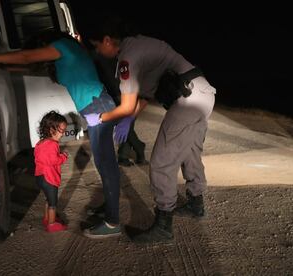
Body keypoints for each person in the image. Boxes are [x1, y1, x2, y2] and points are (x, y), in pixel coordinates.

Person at [0, 31, 122, 239]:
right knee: (104, 165)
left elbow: (27, 57)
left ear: (45, 42)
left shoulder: (63, 46)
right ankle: (110, 208)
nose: (40, 52)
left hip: (98, 107)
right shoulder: (67, 54)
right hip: (95, 107)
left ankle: (112, 221)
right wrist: (0, 64)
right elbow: (27, 64)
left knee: (107, 166)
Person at [84, 17, 216, 243]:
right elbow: (145, 95)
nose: (97, 52)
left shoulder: (128, 56)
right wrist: (130, 117)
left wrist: (100, 117)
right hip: (203, 94)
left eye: (96, 46)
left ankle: (163, 225)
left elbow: (126, 105)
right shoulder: (138, 44)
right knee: (190, 152)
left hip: (188, 101)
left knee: (161, 162)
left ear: (107, 40)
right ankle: (196, 204)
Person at [92, 53, 147, 167]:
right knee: (125, 125)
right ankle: (132, 151)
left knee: (125, 124)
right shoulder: (105, 54)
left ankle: (127, 153)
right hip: (116, 93)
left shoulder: (101, 54)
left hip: (122, 92)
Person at [34, 111, 69, 232]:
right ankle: (52, 223)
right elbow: (53, 160)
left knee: (48, 200)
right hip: (49, 178)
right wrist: (63, 156)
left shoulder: (40, 143)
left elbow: (40, 158)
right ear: (51, 129)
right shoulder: (52, 144)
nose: (63, 134)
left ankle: (47, 218)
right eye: (61, 130)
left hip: (40, 176)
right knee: (53, 203)